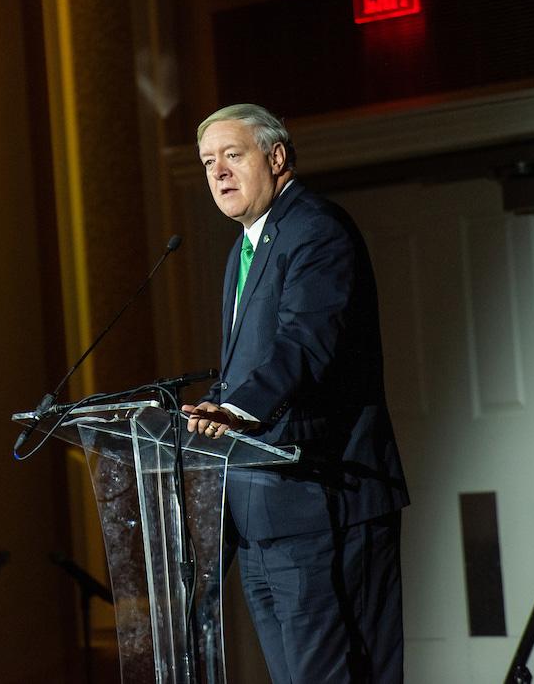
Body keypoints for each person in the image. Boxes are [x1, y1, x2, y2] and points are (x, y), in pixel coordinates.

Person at [181, 104, 409, 683]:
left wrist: (233, 409)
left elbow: (304, 342)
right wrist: (217, 404)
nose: (219, 174)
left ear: (276, 157)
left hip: (325, 500)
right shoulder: (243, 248)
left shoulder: (316, 229)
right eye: (209, 162)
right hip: (262, 511)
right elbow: (253, 362)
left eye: (233, 156)